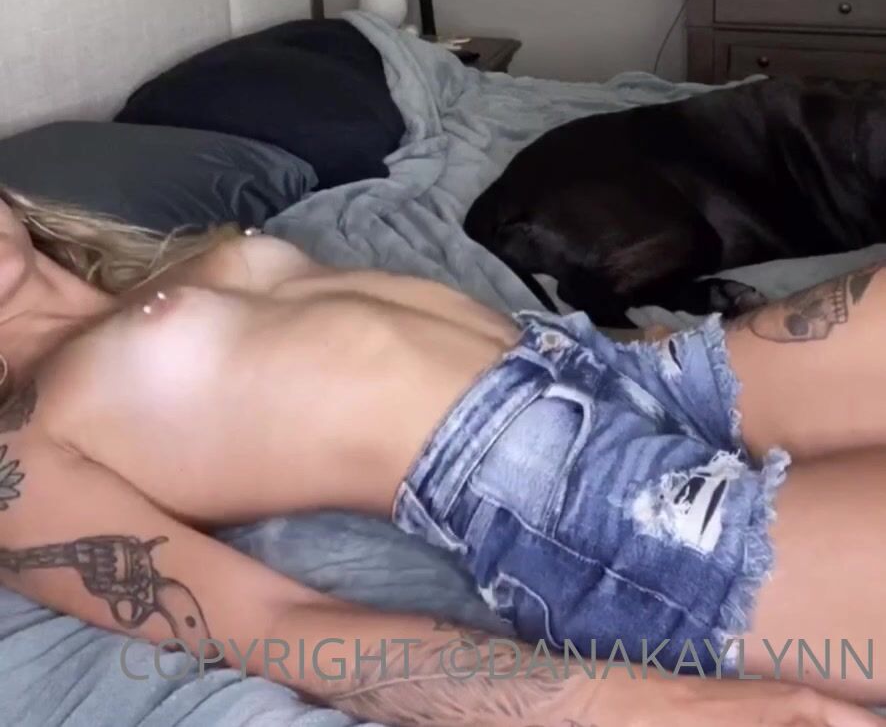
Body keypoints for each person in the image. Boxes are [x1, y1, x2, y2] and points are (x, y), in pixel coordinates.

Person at [0, 183, 878, 727]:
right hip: (599, 513)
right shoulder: (18, 458)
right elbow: (276, 627)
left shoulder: (155, 271)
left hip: (626, 368)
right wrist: (652, 707)